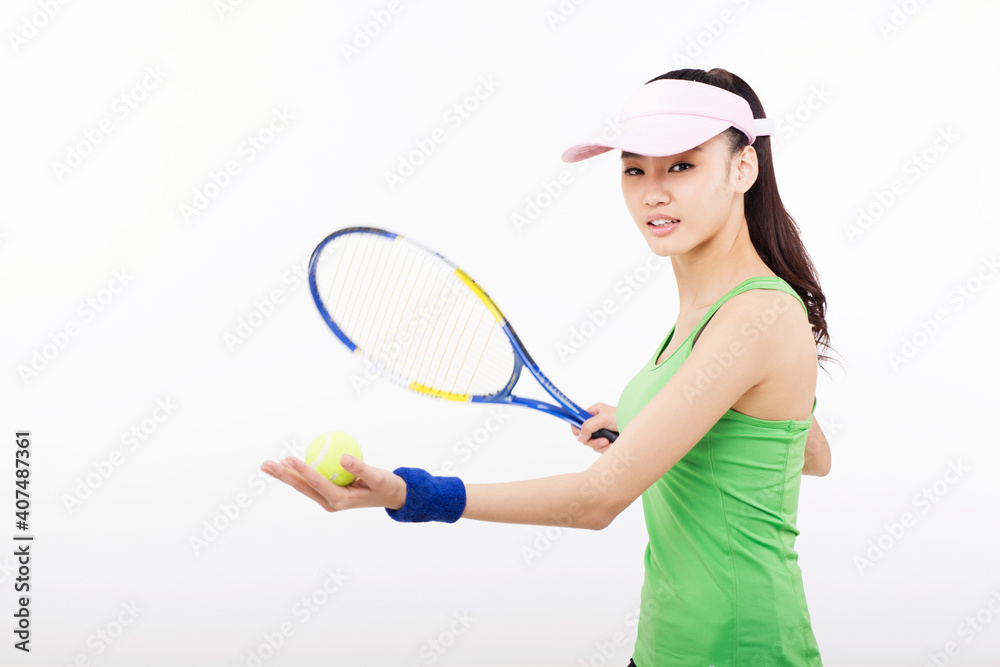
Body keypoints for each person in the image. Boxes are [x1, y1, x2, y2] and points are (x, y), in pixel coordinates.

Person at [261, 67, 832, 666]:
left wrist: (412, 493)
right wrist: (648, 425)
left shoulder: (753, 316)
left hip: (742, 650)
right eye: (634, 169)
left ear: (743, 167)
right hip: (667, 646)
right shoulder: (719, 308)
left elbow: (595, 502)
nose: (652, 192)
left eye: (682, 166)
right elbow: (807, 451)